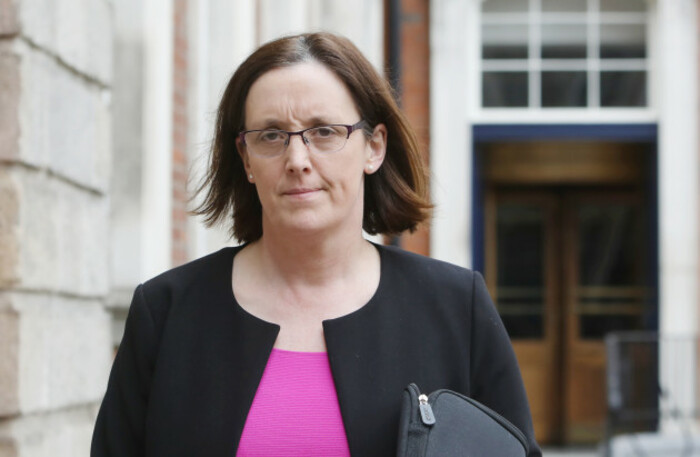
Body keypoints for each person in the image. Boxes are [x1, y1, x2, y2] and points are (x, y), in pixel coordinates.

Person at [91, 32, 542, 457]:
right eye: (271, 135)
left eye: (324, 131)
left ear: (374, 147)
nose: (298, 160)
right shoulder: (166, 312)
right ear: (246, 159)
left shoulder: (455, 308)